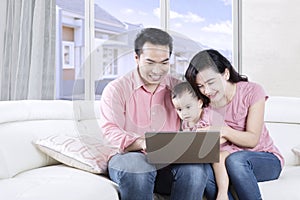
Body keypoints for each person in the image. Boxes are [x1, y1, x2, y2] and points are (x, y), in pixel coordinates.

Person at [100, 28, 208, 200]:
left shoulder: (179, 89)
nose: (157, 70)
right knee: (137, 169)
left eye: (164, 63)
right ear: (136, 58)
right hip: (129, 157)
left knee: (195, 171)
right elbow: (110, 131)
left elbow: (197, 118)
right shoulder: (116, 89)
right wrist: (143, 143)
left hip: (169, 160)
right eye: (150, 62)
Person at [185, 49, 284, 200]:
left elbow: (252, 140)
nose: (207, 91)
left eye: (211, 82)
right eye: (200, 86)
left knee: (235, 160)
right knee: (203, 171)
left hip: (264, 159)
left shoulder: (252, 91)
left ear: (225, 73)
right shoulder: (205, 107)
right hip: (224, 161)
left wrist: (222, 131)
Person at [171, 81, 233, 200]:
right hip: (203, 153)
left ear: (199, 103)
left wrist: (210, 141)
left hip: (224, 149)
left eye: (188, 107)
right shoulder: (186, 123)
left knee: (218, 159)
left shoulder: (210, 116)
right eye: (179, 109)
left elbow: (226, 135)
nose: (184, 113)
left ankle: (223, 193)